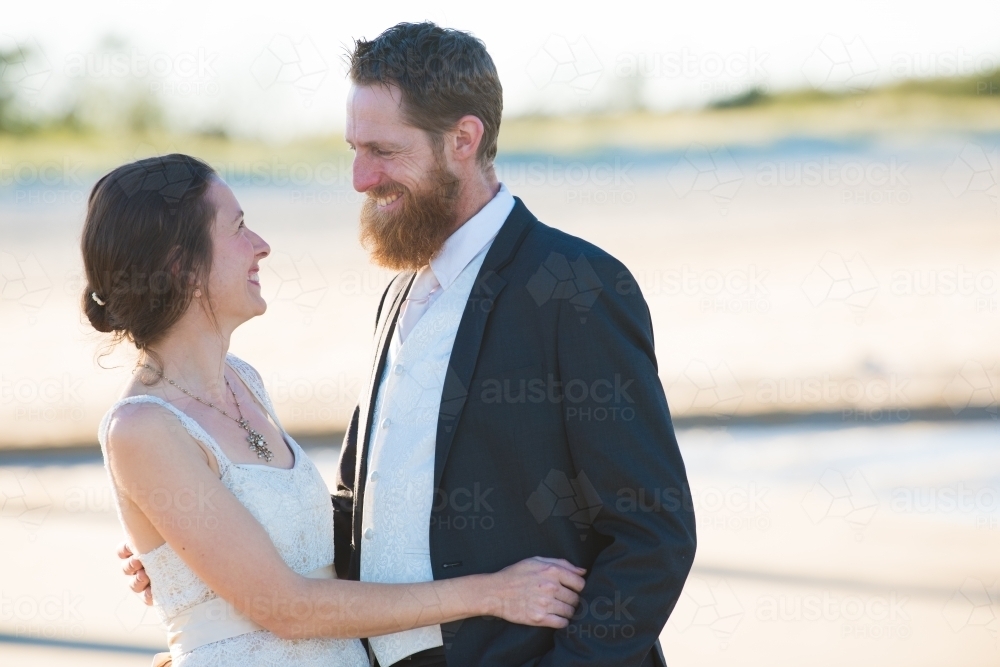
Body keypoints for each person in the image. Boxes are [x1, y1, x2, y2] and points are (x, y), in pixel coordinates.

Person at [127, 22, 697, 667]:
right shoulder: (400, 295)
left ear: (463, 139)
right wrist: (203, 562)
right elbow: (366, 507)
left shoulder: (574, 286)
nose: (360, 178)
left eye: (383, 150)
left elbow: (655, 534)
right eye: (353, 148)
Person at [86, 153, 586, 667]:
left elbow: (306, 543)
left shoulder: (244, 380)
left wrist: (182, 566)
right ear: (181, 266)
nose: (261, 245)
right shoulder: (142, 428)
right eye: (237, 228)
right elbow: (285, 608)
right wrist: (493, 593)